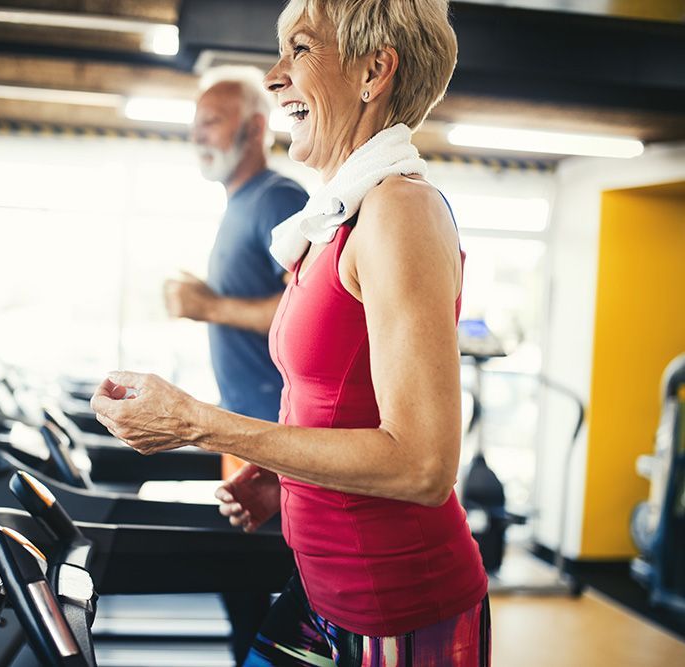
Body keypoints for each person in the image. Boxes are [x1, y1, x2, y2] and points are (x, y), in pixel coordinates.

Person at [92, 0, 490, 665]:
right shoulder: (340, 217)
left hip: (396, 604)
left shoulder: (399, 212)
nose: (276, 76)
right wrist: (284, 480)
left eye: (299, 50)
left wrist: (198, 423)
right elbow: (345, 402)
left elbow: (423, 464)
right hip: (318, 589)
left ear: (374, 70)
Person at [163, 66, 309, 666]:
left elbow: (309, 310)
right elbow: (259, 301)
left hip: (276, 438)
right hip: (243, 428)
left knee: (266, 597)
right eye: (194, 126)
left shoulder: (278, 197)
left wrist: (210, 305)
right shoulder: (240, 202)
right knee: (240, 588)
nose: (198, 136)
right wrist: (209, 298)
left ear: (254, 128)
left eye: (211, 123)